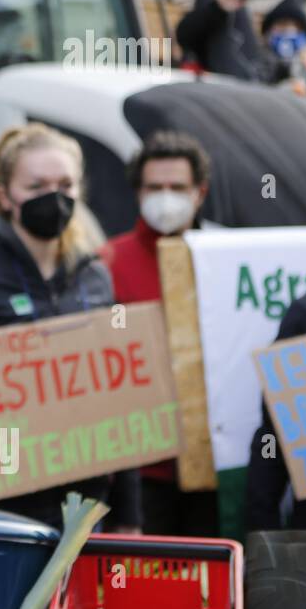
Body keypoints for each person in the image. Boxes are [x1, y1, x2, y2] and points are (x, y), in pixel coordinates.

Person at [0, 122, 142, 530]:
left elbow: (119, 408)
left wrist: (129, 518)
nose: (54, 197)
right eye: (36, 186)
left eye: (65, 184)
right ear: (4, 195)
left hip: (87, 513)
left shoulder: (96, 279)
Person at [99, 130, 220, 536]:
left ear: (199, 192)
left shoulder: (223, 260)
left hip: (214, 463)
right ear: (138, 193)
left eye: (177, 187)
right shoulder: (107, 263)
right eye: (154, 187)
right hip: (141, 470)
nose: (166, 197)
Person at [245, 275, 306, 532]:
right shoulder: (305, 310)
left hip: (299, 441)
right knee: (263, 501)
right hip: (280, 433)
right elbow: (276, 380)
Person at [177, 0, 306, 91]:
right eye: (282, 24)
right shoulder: (249, 61)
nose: (289, 31)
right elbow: (186, 35)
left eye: (297, 28)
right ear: (267, 33)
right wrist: (217, 8)